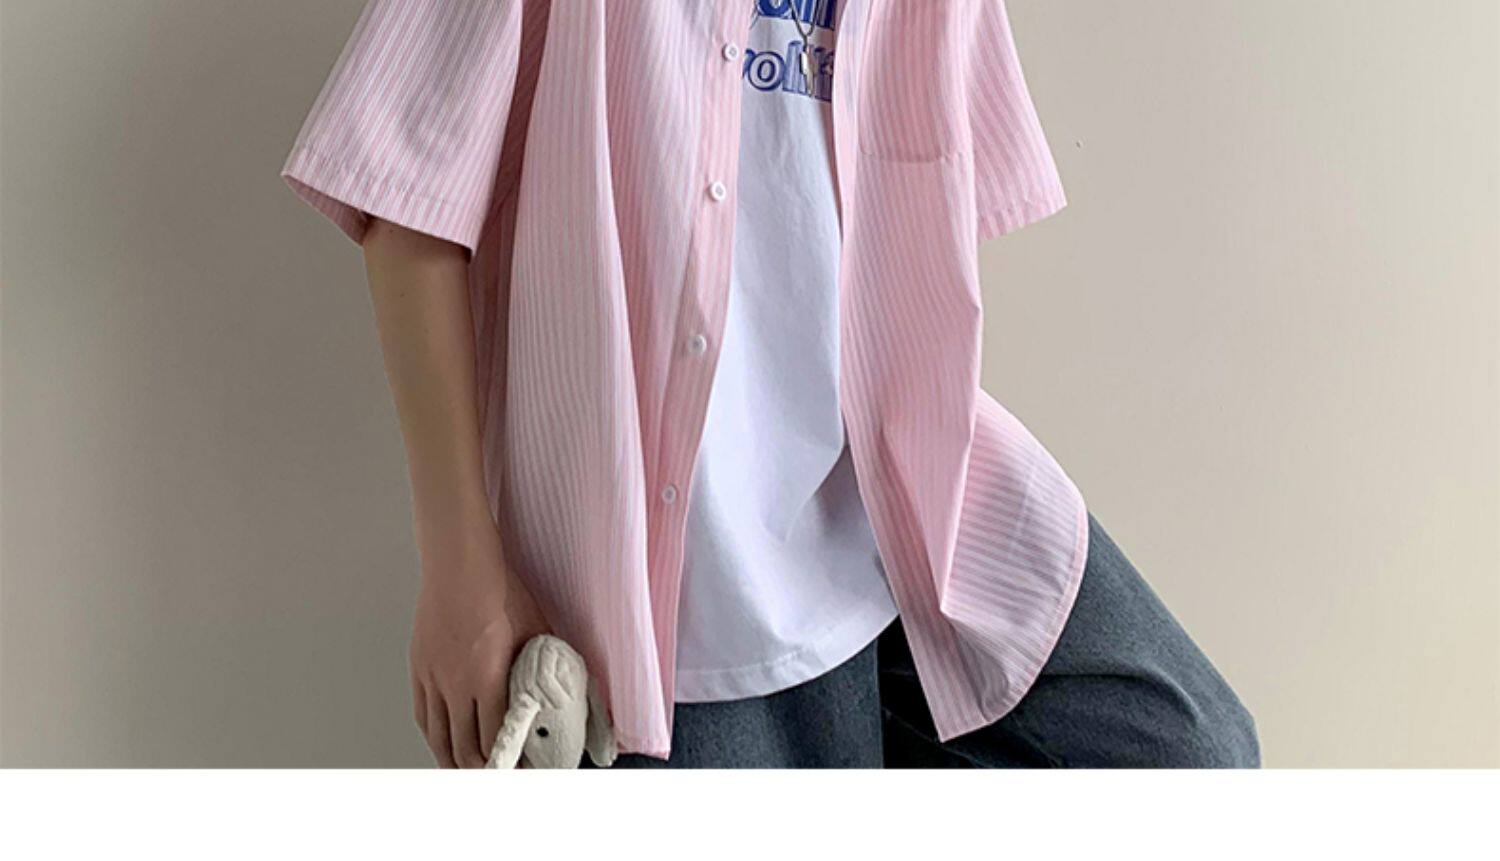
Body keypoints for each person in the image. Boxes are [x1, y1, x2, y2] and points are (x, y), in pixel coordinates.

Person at [283, 0, 1258, 769]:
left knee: (1188, 748)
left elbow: (943, 210)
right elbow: (408, 202)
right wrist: (463, 570)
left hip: (893, 500)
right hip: (675, 581)